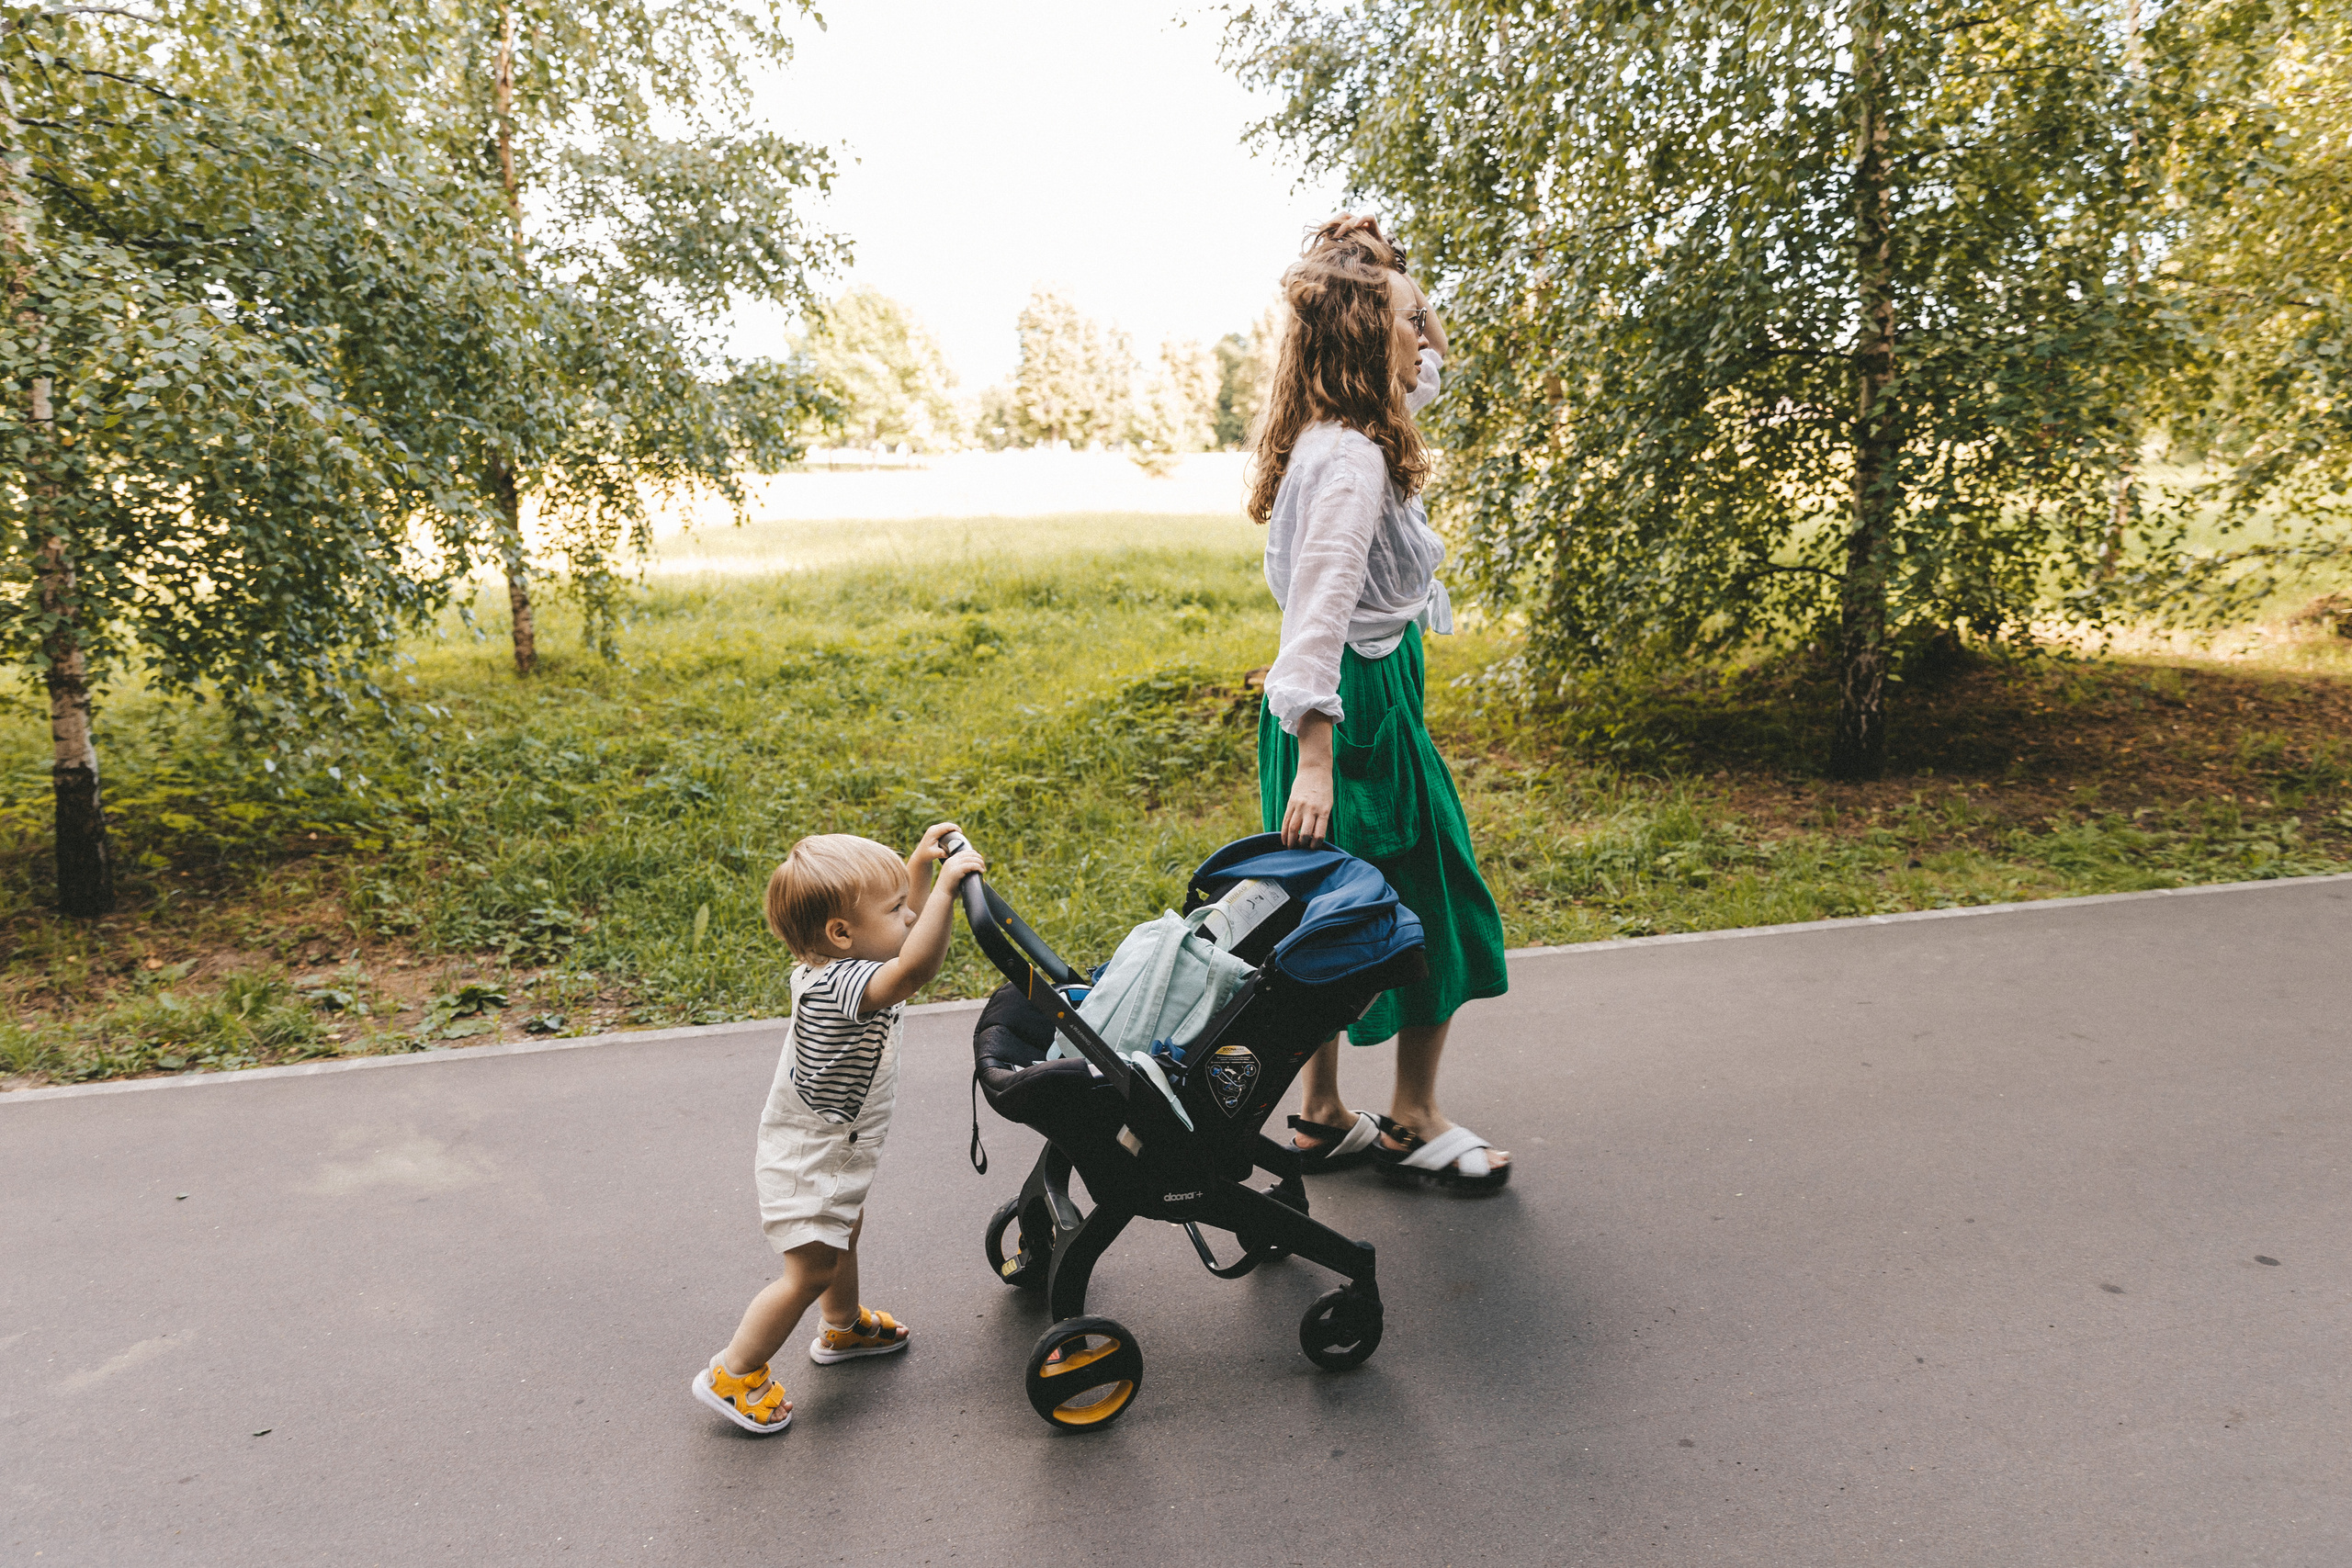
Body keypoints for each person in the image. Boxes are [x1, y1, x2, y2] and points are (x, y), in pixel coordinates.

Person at [1252, 214, 1513, 1193]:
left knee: (1320, 910)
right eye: (1405, 323)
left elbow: (1431, 369)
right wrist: (1318, 754)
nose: (1422, 341)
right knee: (1430, 903)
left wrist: (1394, 279)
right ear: (1370, 342)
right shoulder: (1355, 463)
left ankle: (1320, 1112)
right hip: (1351, 711)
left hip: (1338, 700)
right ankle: (1411, 1115)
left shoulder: (1333, 436)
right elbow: (1317, 613)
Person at [691, 823, 986, 1434]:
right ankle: (733, 1370)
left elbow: (891, 930)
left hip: (830, 1145)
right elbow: (912, 970)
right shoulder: (844, 985)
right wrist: (945, 895)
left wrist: (919, 868)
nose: (907, 917)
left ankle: (843, 1325)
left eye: (908, 906)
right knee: (809, 1269)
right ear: (842, 934)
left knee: (844, 1231)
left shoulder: (841, 956)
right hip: (811, 1158)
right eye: (895, 910)